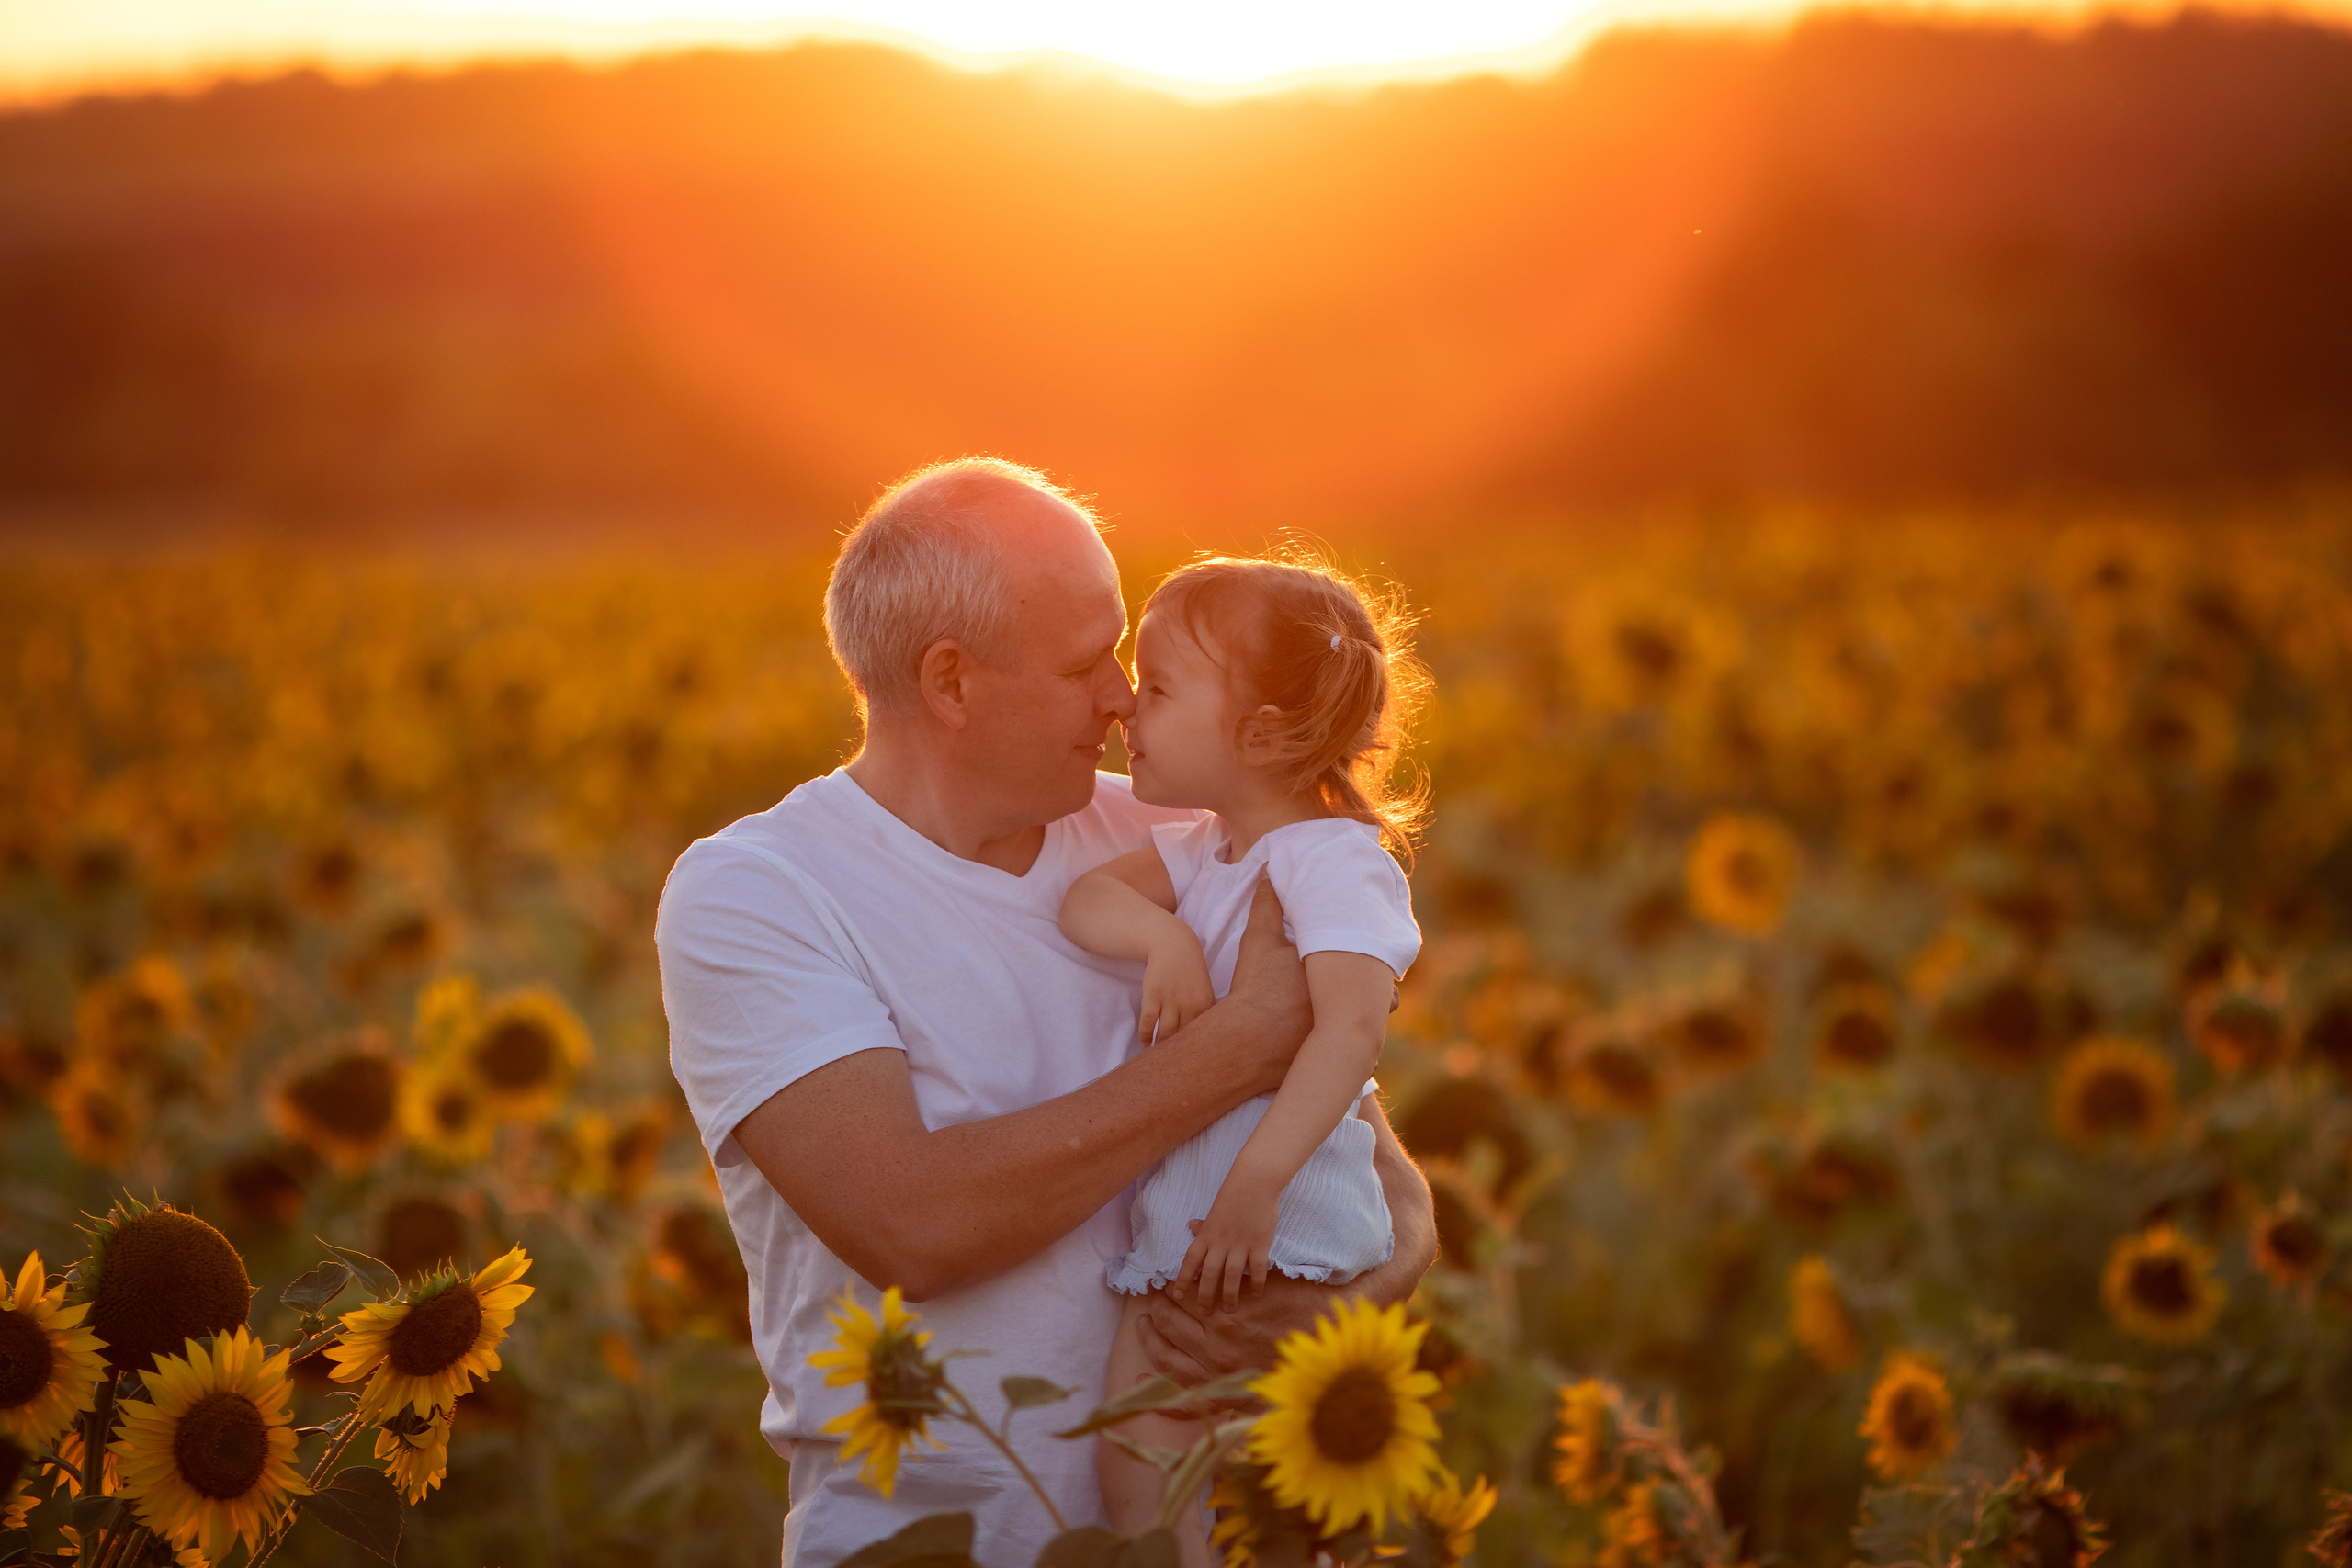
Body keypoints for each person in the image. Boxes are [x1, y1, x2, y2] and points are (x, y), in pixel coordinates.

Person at [654, 457, 1437, 1568]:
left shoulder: (1183, 831)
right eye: (1088, 665)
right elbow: (909, 1226)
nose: (1123, 697)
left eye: (1130, 659)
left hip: (1234, 1528)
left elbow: (1356, 1133)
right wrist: (1238, 1044)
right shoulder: (762, 891)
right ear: (951, 683)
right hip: (936, 1545)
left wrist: (1370, 1276)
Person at [1059, 555, 1426, 1563]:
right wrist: (1165, 940)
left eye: (1162, 687)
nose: (1130, 703)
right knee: (1135, 1472)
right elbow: (1087, 901)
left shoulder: (1333, 859)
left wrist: (1258, 1179)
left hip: (1284, 1233)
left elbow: (1352, 1033)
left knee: (1269, 1503)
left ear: (1261, 734)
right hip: (1189, 1240)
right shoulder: (1204, 850)